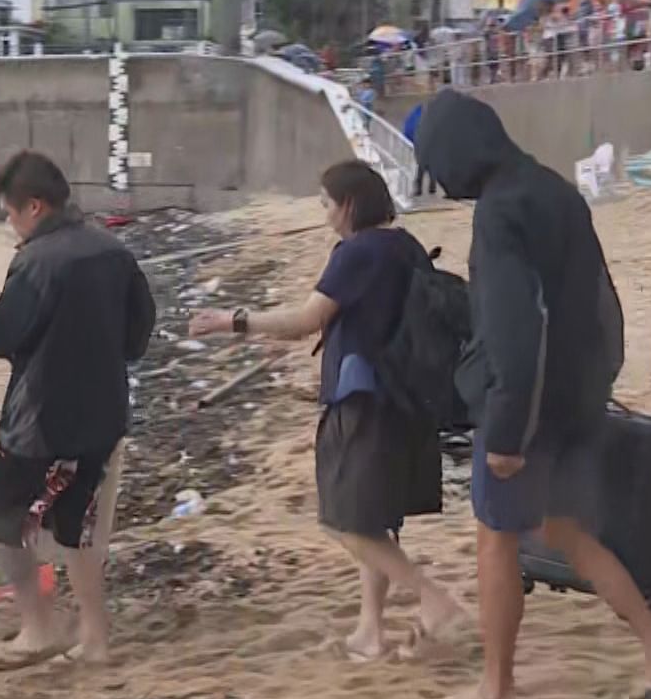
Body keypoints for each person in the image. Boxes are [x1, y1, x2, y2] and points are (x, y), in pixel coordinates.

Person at [414, 91, 651, 699]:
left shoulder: (498, 213)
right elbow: (597, 302)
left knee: (496, 540)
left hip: (530, 412)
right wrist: (593, 390)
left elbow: (515, 332)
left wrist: (506, 433)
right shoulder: (552, 189)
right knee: (568, 531)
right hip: (577, 398)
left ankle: (497, 691)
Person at [191, 162, 463, 660]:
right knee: (375, 518)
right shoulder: (404, 246)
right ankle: (370, 631)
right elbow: (364, 320)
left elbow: (306, 319)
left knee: (346, 522)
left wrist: (234, 321)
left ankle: (433, 599)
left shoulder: (356, 253)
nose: (323, 216)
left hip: (365, 402)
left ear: (350, 205)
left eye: (326, 204)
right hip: (408, 400)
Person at [0, 150, 155, 668]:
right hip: (105, 410)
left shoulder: (35, 260)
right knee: (82, 527)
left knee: (1, 522)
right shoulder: (112, 249)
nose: (12, 225)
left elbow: (3, 334)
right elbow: (138, 334)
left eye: (10, 214)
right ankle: (94, 637)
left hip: (42, 421)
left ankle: (40, 627)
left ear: (33, 207)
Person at [403, 102, 436, 198]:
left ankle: (421, 189)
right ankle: (430, 187)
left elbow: (409, 130)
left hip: (422, 146)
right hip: (428, 146)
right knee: (428, 168)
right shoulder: (430, 118)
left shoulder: (416, 118)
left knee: (422, 168)